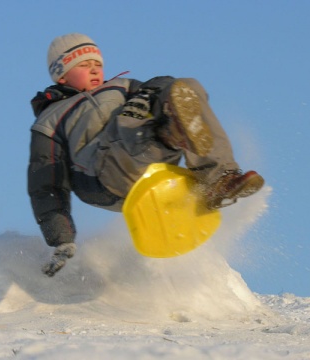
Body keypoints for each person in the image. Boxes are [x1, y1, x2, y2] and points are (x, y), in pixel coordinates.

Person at [28, 33, 264, 277]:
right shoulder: (49, 120)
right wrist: (61, 239)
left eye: (98, 64)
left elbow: (163, 85)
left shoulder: (122, 87)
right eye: (84, 65)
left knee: (183, 89)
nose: (95, 70)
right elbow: (46, 184)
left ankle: (216, 176)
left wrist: (150, 91)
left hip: (148, 160)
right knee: (127, 119)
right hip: (102, 177)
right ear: (62, 75)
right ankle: (172, 132)